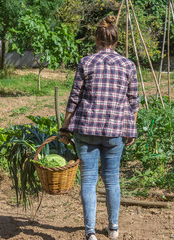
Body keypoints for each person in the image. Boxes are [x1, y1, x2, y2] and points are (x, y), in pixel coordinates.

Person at [59, 15, 139, 240]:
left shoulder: (86, 62)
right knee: (112, 179)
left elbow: (74, 98)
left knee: (88, 180)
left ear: (97, 39)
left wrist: (65, 128)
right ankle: (113, 229)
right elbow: (133, 101)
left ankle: (90, 232)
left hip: (86, 129)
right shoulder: (128, 65)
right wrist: (130, 128)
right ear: (115, 40)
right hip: (115, 130)